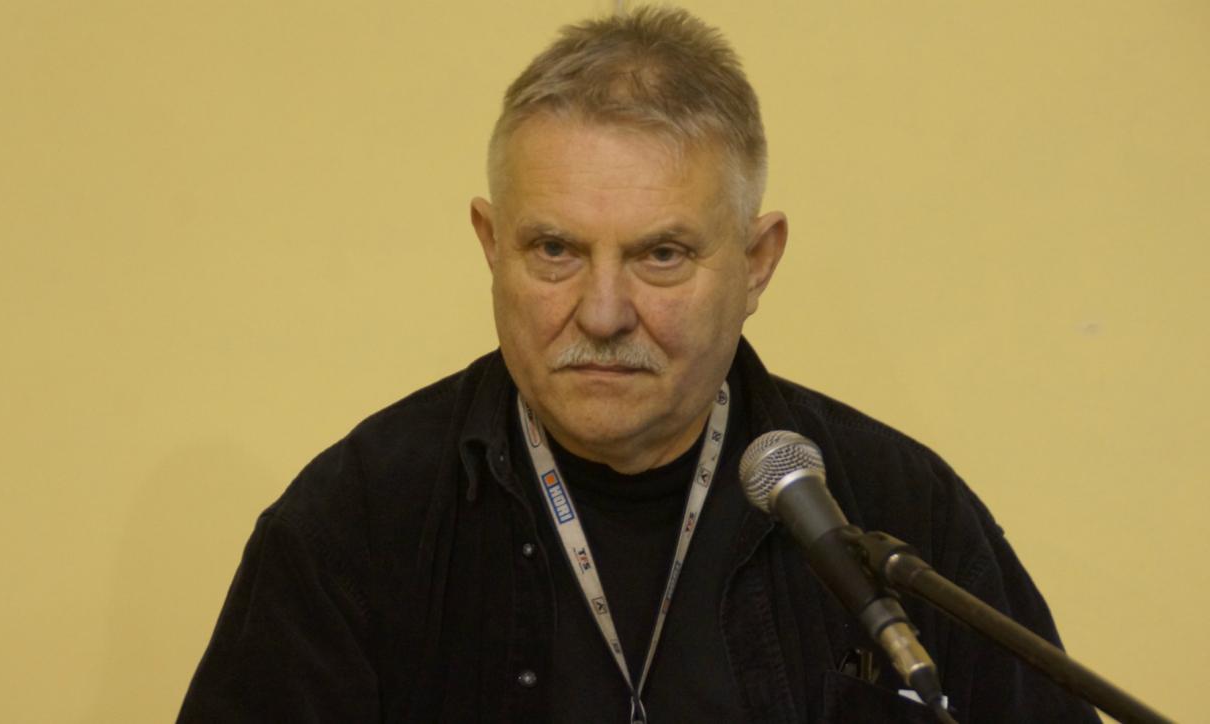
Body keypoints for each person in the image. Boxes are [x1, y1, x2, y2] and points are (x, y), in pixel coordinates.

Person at [180, 7, 1101, 722]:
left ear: (757, 263)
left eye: (661, 255)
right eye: (554, 251)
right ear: (491, 245)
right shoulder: (355, 524)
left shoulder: (901, 512)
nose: (603, 312)